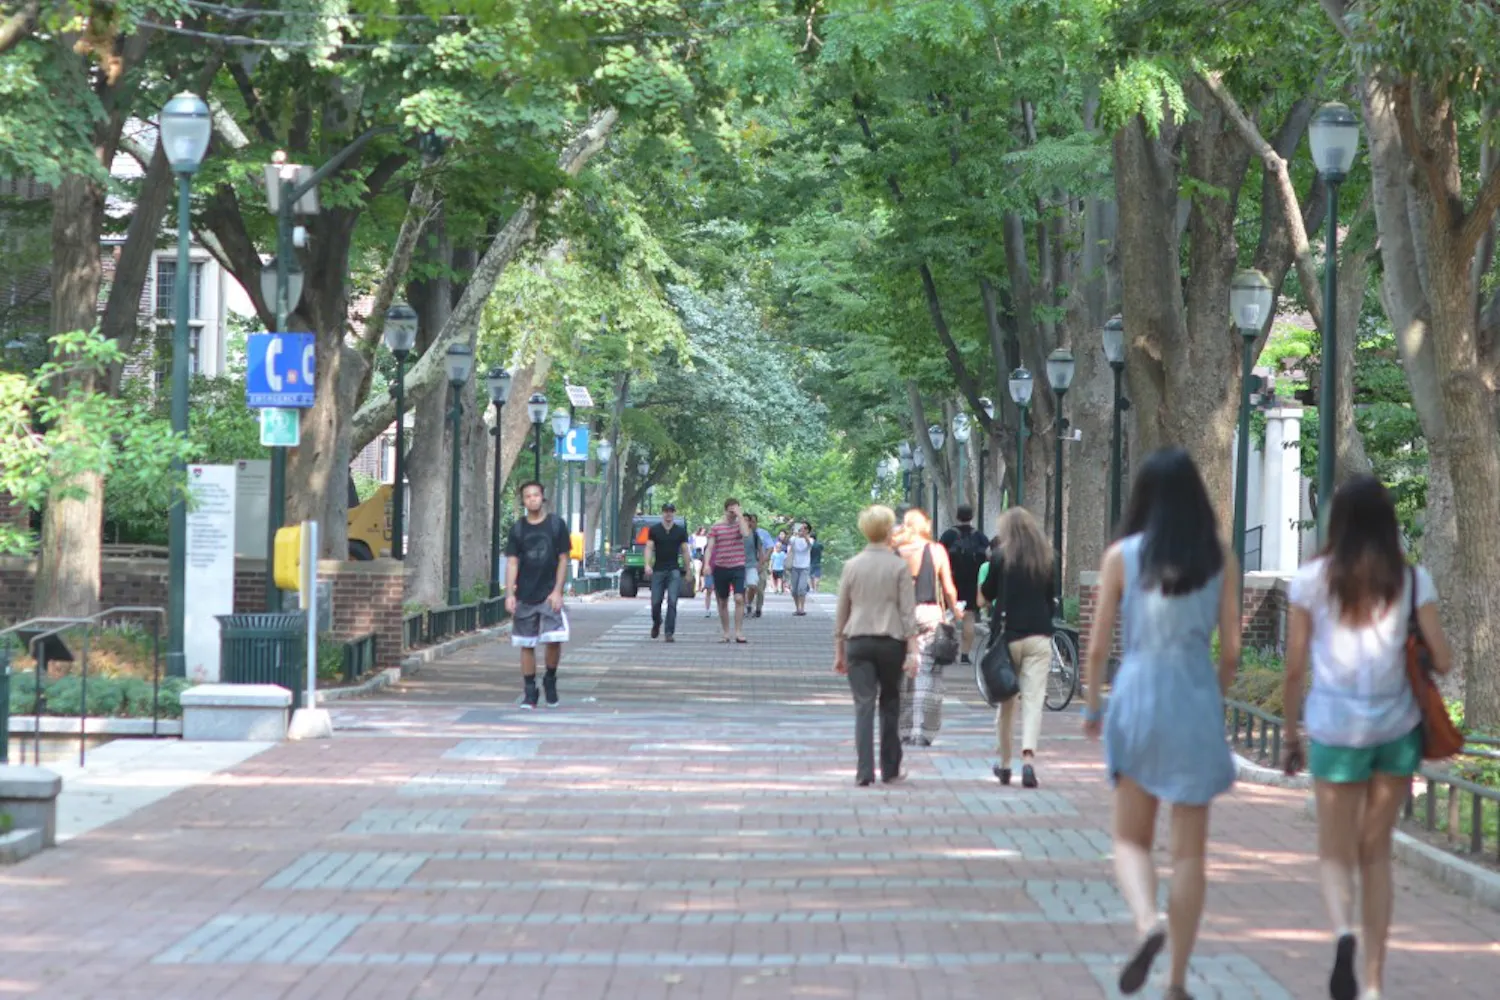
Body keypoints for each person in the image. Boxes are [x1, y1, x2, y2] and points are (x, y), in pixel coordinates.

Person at [1280, 475, 1452, 1000]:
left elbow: (1292, 669)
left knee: (1335, 850)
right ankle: (1373, 985)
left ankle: (1342, 932)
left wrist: (1291, 735)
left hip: (1333, 728)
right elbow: (1443, 659)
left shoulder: (1311, 581)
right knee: (1375, 854)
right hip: (1395, 730)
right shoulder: (1413, 581)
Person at [1081, 448, 1240, 998]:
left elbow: (1099, 644)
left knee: (1130, 838)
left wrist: (1093, 707)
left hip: (1139, 694)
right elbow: (1234, 650)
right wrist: (1212, 697)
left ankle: (1147, 922)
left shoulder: (1122, 555)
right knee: (1191, 852)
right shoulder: (1219, 554)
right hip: (1194, 695)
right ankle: (1176, 980)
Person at [834, 505, 920, 786]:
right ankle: (891, 768)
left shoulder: (851, 565)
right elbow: (908, 612)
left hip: (857, 641)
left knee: (863, 706)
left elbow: (842, 611)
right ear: (888, 531)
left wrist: (839, 651)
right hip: (891, 642)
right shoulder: (898, 566)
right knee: (891, 703)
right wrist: (913, 650)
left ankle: (864, 771)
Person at [979, 507, 1055, 789]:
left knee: (1007, 703)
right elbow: (1051, 598)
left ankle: (1005, 764)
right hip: (1039, 634)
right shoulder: (1045, 558)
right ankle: (1028, 760)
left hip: (1008, 635)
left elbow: (985, 596)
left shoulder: (1000, 557)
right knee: (1034, 702)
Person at [504, 481, 573, 709]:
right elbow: (512, 562)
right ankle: (530, 691)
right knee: (527, 643)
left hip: (549, 592)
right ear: (523, 501)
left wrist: (557, 591)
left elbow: (564, 559)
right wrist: (509, 593)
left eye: (536, 495)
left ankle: (550, 678)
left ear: (542, 498)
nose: (532, 499)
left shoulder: (556, 525)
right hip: (525, 593)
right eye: (527, 496)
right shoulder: (518, 529)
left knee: (554, 639)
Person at [896, 508, 960, 747]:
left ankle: (903, 729)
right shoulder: (936, 551)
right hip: (930, 613)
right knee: (930, 673)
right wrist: (956, 610)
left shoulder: (897, 552)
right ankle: (923, 730)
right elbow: (948, 588)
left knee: (904, 671)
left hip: (900, 614)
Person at [941, 504, 990, 664]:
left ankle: (947, 651)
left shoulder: (949, 535)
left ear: (957, 516)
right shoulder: (980, 537)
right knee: (969, 618)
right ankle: (964, 654)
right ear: (972, 516)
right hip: (972, 583)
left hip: (952, 581)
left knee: (950, 617)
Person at [703, 498, 752, 643]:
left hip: (738, 565)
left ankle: (738, 631)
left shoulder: (740, 524)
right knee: (722, 601)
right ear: (726, 510)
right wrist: (707, 564)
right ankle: (725, 632)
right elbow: (710, 547)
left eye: (735, 509)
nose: (733, 513)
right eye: (731, 510)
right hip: (721, 567)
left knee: (739, 598)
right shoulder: (716, 527)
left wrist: (740, 515)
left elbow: (746, 534)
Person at [645, 503, 693, 643]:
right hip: (658, 569)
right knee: (655, 602)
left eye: (671, 511)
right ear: (662, 513)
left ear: (674, 513)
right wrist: (647, 564)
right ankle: (657, 621)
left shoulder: (680, 531)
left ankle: (669, 632)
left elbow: (685, 551)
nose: (668, 514)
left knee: (672, 601)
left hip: (674, 570)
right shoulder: (654, 530)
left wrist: (688, 570)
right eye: (666, 511)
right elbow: (649, 548)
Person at [787, 522, 815, 615]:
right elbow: (788, 540)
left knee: (801, 589)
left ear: (808, 530)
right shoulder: (794, 539)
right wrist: (792, 529)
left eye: (805, 528)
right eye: (801, 527)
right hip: (795, 567)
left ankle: (802, 609)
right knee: (794, 590)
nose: (802, 529)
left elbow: (809, 545)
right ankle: (797, 608)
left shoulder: (810, 539)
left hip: (805, 567)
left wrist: (805, 536)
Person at [750, 514, 775, 618]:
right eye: (749, 521)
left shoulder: (763, 533)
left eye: (753, 521)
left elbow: (770, 547)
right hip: (748, 563)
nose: (751, 523)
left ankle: (758, 608)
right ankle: (748, 606)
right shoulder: (742, 534)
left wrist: (764, 559)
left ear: (756, 522)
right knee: (750, 586)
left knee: (760, 587)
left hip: (761, 562)